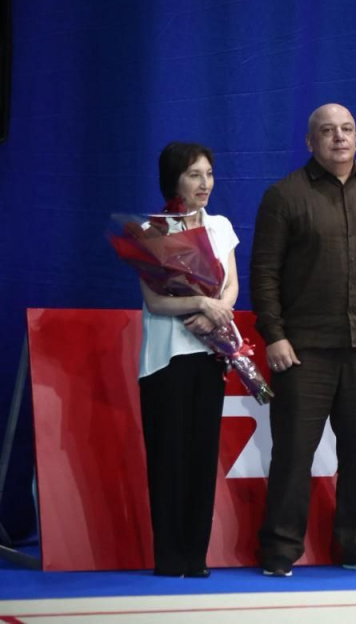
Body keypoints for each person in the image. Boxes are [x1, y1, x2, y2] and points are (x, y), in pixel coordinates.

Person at [250, 103, 356, 576]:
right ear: (310, 142)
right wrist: (274, 336)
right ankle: (279, 549)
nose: (339, 138)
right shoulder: (284, 197)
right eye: (327, 131)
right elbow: (264, 274)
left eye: (347, 130)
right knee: (293, 455)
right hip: (302, 351)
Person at [137, 141, 239, 578]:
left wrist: (216, 312)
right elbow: (156, 300)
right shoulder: (152, 231)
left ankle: (195, 557)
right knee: (169, 457)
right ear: (174, 179)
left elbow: (232, 287)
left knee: (201, 457)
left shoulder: (220, 227)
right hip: (166, 359)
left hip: (210, 354)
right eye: (195, 174)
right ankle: (169, 557)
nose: (205, 183)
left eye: (209, 174)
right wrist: (201, 304)